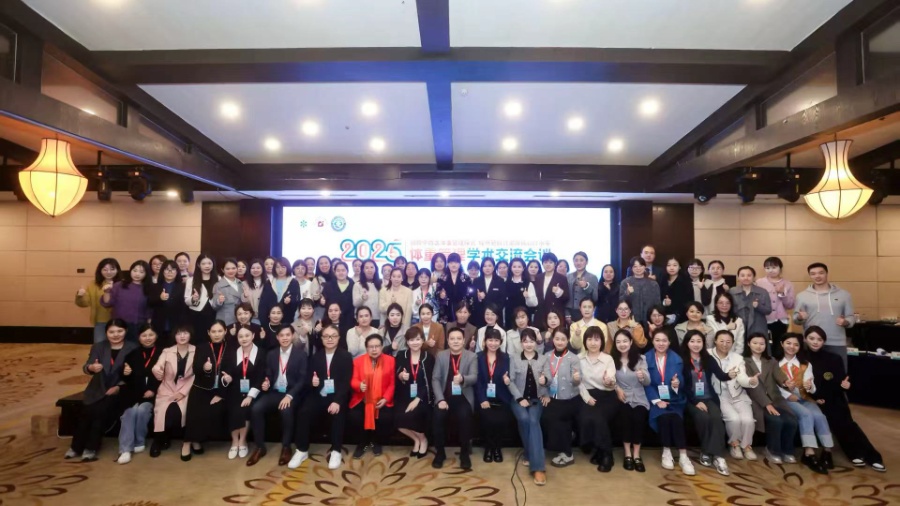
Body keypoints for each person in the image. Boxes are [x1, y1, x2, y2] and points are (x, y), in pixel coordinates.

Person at [804, 326, 884, 472]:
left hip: (833, 396)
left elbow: (841, 381)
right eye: (812, 338)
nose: (815, 342)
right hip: (812, 399)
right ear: (805, 339)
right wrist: (814, 398)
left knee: (845, 422)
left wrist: (845, 385)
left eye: (819, 339)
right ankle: (854, 454)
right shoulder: (801, 358)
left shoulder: (834, 358)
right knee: (834, 419)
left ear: (824, 341)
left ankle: (872, 456)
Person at [65, 319, 137, 462]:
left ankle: (91, 448)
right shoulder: (99, 346)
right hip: (97, 388)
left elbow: (137, 373)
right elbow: (87, 366)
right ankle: (75, 447)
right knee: (86, 412)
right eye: (111, 332)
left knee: (99, 412)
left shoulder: (133, 347)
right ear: (106, 333)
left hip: (120, 389)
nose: (116, 335)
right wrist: (91, 368)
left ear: (126, 331)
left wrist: (119, 387)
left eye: (120, 331)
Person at [291, 325, 352, 470]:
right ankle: (302, 450)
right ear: (322, 339)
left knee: (338, 413)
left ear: (338, 338)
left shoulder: (345, 356)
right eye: (326, 336)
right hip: (319, 394)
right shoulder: (316, 356)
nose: (330, 339)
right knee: (304, 411)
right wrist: (312, 382)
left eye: (333, 336)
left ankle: (336, 450)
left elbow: (345, 383)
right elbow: (308, 379)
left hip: (337, 396)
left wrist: (337, 401)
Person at [247, 326, 308, 467]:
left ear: (293, 336)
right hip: (275, 392)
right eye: (282, 335)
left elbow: (302, 380)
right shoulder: (271, 354)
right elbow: (268, 374)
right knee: (256, 408)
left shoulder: (301, 355)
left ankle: (286, 447)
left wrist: (290, 395)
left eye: (288, 335)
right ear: (277, 337)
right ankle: (260, 447)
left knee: (286, 410)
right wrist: (266, 383)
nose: (285, 338)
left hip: (292, 393)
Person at [777, 332, 833, 475]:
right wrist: (788, 395)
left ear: (800, 347)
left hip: (804, 397)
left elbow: (811, 386)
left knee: (820, 416)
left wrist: (810, 386)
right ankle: (809, 452)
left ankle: (827, 451)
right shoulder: (775, 363)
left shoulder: (805, 364)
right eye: (788, 343)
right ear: (782, 344)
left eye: (796, 344)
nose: (792, 347)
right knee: (806, 414)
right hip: (785, 399)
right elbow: (772, 385)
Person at [679, 329, 730, 475]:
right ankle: (707, 451)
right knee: (703, 417)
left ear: (703, 343)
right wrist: (696, 402)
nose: (696, 344)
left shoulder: (708, 359)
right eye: (692, 341)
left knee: (716, 417)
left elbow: (721, 375)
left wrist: (730, 374)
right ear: (687, 343)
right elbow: (683, 386)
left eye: (699, 341)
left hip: (709, 397)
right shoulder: (682, 360)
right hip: (691, 399)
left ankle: (717, 456)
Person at [645, 328, 695, 476]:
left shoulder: (676, 359)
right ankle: (666, 452)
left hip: (674, 399)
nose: (661, 343)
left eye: (664, 341)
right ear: (653, 341)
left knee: (676, 419)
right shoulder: (646, 358)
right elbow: (646, 384)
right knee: (664, 418)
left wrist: (676, 385)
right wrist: (657, 400)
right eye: (657, 340)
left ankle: (683, 456)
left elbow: (682, 381)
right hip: (655, 399)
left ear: (669, 342)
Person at [743, 332, 798, 465]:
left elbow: (779, 376)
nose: (758, 346)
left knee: (791, 420)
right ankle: (772, 451)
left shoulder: (771, 360)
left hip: (775, 398)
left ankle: (787, 451)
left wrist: (786, 383)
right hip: (757, 400)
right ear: (748, 344)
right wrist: (767, 403)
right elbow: (753, 387)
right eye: (755, 343)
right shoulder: (744, 361)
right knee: (776, 420)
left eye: (762, 343)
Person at [793, 263, 856, 369]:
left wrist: (846, 322)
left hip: (836, 342)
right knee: (811, 375)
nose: (817, 276)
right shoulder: (802, 296)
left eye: (821, 273)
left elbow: (851, 317)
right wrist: (799, 318)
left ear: (827, 273)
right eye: (813, 274)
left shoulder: (844, 295)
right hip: (812, 343)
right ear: (810, 276)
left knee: (839, 374)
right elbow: (796, 319)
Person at [183, 320, 230, 461]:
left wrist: (221, 394)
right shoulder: (202, 347)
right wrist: (205, 368)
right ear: (208, 333)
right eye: (213, 331)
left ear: (225, 332)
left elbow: (234, 371)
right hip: (202, 386)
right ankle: (187, 443)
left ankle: (197, 440)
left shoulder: (231, 348)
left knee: (211, 411)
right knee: (195, 408)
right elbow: (196, 369)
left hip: (222, 388)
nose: (217, 334)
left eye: (220, 331)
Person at [432, 327, 478, 470]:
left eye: (459, 338)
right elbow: (435, 379)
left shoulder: (471, 356)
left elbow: (474, 377)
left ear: (464, 341)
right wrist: (440, 399)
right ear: (448, 341)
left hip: (463, 396)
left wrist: (463, 378)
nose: (456, 341)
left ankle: (464, 453)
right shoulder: (441, 355)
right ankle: (440, 453)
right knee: (438, 416)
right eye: (452, 339)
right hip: (445, 396)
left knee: (465, 416)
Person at [507, 328, 548, 485]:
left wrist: (545, 381)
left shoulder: (543, 358)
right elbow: (510, 381)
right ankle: (530, 453)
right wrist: (519, 398)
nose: (529, 344)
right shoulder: (514, 358)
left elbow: (549, 378)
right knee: (524, 418)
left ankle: (538, 467)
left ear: (535, 343)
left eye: (531, 341)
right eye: (525, 341)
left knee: (533, 421)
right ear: (521, 343)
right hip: (518, 399)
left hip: (537, 399)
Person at [710, 330, 758, 461]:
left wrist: (750, 381)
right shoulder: (708, 355)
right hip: (719, 395)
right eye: (721, 341)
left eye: (728, 342)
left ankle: (747, 446)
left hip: (738, 394)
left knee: (748, 420)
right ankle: (734, 444)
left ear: (732, 343)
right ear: (715, 341)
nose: (725, 344)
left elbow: (742, 377)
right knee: (734, 419)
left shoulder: (737, 358)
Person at [116, 324, 162, 464]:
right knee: (129, 412)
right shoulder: (132, 354)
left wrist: (152, 389)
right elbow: (124, 376)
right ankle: (125, 449)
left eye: (151, 335)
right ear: (139, 337)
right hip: (133, 394)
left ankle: (139, 441)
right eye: (144, 335)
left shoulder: (163, 353)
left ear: (156, 336)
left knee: (142, 410)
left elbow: (167, 376)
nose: (148, 338)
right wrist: (125, 373)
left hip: (153, 394)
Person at [149, 325, 195, 458]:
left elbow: (196, 375)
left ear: (190, 335)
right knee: (162, 413)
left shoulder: (196, 351)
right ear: (174, 336)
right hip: (167, 389)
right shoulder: (167, 351)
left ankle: (186, 442)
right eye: (178, 333)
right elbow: (158, 366)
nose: (182, 336)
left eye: (185, 333)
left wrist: (183, 392)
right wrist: (156, 369)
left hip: (187, 389)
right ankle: (158, 440)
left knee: (180, 413)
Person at [221, 326, 265, 461]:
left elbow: (261, 378)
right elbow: (227, 373)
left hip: (254, 390)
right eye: (240, 336)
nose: (244, 338)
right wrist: (227, 378)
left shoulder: (261, 353)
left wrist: (250, 396)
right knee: (233, 406)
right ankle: (234, 441)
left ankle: (243, 440)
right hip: (235, 388)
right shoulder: (232, 353)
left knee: (245, 408)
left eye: (247, 335)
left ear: (253, 336)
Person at [578, 326, 618, 472]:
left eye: (596, 339)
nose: (593, 343)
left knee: (599, 418)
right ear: (585, 341)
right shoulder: (579, 358)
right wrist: (587, 397)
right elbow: (578, 382)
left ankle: (607, 454)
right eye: (589, 339)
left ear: (602, 341)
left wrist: (609, 381)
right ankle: (598, 450)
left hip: (607, 395)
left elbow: (611, 378)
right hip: (587, 394)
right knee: (586, 417)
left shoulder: (608, 358)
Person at [540, 327, 582, 468]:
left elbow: (577, 382)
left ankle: (568, 453)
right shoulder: (546, 356)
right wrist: (545, 394)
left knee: (561, 417)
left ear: (568, 340)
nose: (559, 342)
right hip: (551, 396)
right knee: (546, 417)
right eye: (557, 339)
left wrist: (576, 379)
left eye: (563, 339)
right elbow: (543, 378)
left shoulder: (573, 358)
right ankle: (560, 445)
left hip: (569, 397)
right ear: (553, 340)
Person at [349, 334, 396, 459]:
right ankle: (362, 443)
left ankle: (376, 441)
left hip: (382, 399)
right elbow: (353, 380)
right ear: (366, 348)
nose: (374, 349)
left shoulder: (390, 360)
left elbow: (392, 383)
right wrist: (359, 385)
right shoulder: (358, 361)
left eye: (377, 346)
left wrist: (386, 398)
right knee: (356, 416)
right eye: (371, 347)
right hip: (363, 398)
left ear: (382, 347)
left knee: (385, 417)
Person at [611, 329, 650, 473]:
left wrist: (642, 376)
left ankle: (636, 455)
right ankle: (627, 453)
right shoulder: (612, 360)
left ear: (631, 342)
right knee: (625, 418)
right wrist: (617, 389)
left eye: (625, 341)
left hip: (639, 396)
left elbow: (647, 382)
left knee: (639, 419)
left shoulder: (641, 359)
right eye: (618, 342)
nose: (622, 344)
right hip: (622, 396)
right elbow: (611, 380)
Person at [395, 327, 435, 459]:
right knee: (397, 418)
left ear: (423, 340)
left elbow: (430, 381)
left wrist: (417, 399)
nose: (415, 343)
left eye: (418, 339)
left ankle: (423, 440)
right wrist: (401, 376)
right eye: (411, 340)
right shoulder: (402, 355)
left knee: (414, 413)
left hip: (423, 396)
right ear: (407, 342)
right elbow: (397, 372)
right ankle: (417, 439)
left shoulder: (429, 357)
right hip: (405, 395)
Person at [475, 328, 513, 463]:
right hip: (484, 397)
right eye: (490, 340)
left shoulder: (506, 358)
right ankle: (488, 448)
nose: (493, 343)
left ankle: (497, 448)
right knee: (487, 422)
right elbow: (478, 380)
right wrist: (482, 399)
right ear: (485, 341)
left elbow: (511, 377)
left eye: (496, 340)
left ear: (500, 342)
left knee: (500, 423)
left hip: (502, 397)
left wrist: (508, 380)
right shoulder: (478, 357)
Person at [100, 260, 152, 343]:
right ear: (130, 270)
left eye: (141, 272)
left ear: (146, 274)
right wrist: (106, 292)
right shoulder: (119, 285)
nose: (137, 274)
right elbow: (107, 303)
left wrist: (148, 326)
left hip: (138, 325)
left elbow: (149, 310)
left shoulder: (148, 289)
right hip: (118, 325)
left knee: (134, 348)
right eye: (135, 270)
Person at [756, 257, 795, 357]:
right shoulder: (759, 283)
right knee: (765, 347)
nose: (771, 270)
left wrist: (781, 293)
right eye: (767, 268)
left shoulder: (788, 284)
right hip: (764, 320)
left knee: (779, 349)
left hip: (781, 321)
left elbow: (790, 305)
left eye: (774, 267)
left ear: (780, 268)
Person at [76, 258, 120, 343]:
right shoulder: (94, 285)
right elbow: (85, 303)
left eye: (112, 269)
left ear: (117, 270)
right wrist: (80, 296)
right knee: (99, 345)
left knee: (117, 346)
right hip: (101, 322)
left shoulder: (123, 284)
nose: (109, 272)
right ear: (100, 271)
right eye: (105, 269)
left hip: (119, 322)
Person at [148, 260, 188, 345]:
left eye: (173, 269)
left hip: (177, 324)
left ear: (177, 272)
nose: (170, 272)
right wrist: (160, 298)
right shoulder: (155, 286)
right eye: (167, 269)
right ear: (162, 271)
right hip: (159, 324)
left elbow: (186, 307)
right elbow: (149, 303)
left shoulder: (183, 287)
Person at [184, 255, 219, 342]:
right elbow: (186, 300)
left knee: (212, 340)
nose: (207, 266)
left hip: (213, 314)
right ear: (198, 265)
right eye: (203, 263)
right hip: (196, 316)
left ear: (213, 264)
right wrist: (193, 299)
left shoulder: (218, 279)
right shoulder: (191, 280)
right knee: (198, 340)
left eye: (209, 263)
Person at [729, 266, 771, 340]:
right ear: (738, 277)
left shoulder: (762, 292)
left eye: (749, 275)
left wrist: (758, 306)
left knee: (757, 345)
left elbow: (768, 310)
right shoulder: (732, 291)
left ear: (754, 277)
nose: (746, 278)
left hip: (757, 326)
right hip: (738, 325)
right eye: (742, 275)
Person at [259, 257, 300, 329]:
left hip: (287, 319)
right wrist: (263, 321)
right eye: (277, 267)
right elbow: (263, 303)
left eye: (283, 267)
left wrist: (290, 301)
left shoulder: (293, 282)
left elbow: (297, 300)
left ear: (287, 268)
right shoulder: (269, 282)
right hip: (270, 320)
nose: (280, 270)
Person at [533, 252, 570, 328]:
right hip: (541, 314)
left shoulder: (561, 278)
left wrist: (559, 292)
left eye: (550, 262)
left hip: (556, 314)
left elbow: (566, 297)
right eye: (545, 262)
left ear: (555, 264)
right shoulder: (538, 277)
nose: (548, 264)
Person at [619, 256, 660, 324]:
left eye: (640, 266)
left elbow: (657, 304)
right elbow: (620, 302)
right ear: (631, 268)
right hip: (631, 321)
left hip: (649, 320)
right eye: (635, 266)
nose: (638, 268)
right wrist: (627, 293)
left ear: (645, 267)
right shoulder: (625, 282)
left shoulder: (653, 284)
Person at [436, 253, 473, 324]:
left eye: (456, 262)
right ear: (448, 264)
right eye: (451, 263)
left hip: (462, 310)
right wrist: (440, 295)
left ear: (459, 264)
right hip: (446, 310)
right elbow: (437, 293)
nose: (453, 265)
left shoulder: (466, 278)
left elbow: (470, 295)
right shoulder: (442, 278)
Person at [320, 261, 356, 332]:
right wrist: (321, 302)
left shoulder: (353, 285)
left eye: (343, 270)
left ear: (347, 272)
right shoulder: (328, 285)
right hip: (331, 320)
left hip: (348, 320)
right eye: (338, 270)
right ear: (335, 272)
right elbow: (323, 301)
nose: (341, 273)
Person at [472, 257, 507, 328]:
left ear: (493, 267)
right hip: (480, 316)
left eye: (489, 266)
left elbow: (502, 300)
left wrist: (493, 312)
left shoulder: (500, 281)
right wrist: (479, 298)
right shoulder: (476, 281)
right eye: (485, 266)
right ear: (482, 268)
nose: (487, 268)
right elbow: (473, 300)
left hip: (495, 316)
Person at [503, 258, 538, 329]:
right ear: (511, 268)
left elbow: (534, 303)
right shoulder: (506, 283)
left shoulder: (528, 283)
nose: (517, 269)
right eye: (514, 267)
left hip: (524, 316)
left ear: (523, 268)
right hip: (510, 315)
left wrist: (528, 297)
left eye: (519, 267)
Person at [566, 251, 599, 324]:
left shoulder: (592, 277)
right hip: (570, 312)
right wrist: (566, 313)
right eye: (576, 260)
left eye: (581, 260)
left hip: (586, 311)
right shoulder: (568, 276)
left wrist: (586, 286)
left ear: (586, 262)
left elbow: (595, 297)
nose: (578, 263)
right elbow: (566, 297)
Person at [659, 258, 693, 325]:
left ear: (679, 267)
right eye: (669, 265)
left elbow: (689, 300)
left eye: (675, 265)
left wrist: (677, 314)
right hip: (664, 316)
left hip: (681, 316)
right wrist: (664, 303)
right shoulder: (662, 279)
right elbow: (658, 297)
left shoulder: (686, 281)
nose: (671, 268)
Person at [353, 259, 383, 328]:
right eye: (366, 268)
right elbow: (355, 304)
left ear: (375, 269)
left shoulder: (381, 284)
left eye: (372, 267)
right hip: (362, 319)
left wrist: (382, 321)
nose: (369, 270)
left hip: (377, 319)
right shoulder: (357, 285)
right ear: (363, 270)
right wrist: (362, 298)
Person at [242, 259, 266, 324]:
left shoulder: (268, 283)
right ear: (249, 270)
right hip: (250, 317)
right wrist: (245, 296)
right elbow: (243, 303)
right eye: (253, 268)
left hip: (265, 316)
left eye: (258, 268)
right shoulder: (244, 283)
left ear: (262, 269)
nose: (255, 270)